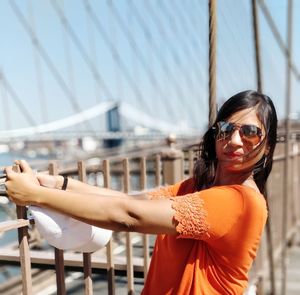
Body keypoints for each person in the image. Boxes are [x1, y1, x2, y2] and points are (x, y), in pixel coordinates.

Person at [5, 90, 277, 294]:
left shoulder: (241, 201)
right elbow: (129, 201)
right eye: (226, 129)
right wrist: (58, 184)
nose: (234, 140)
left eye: (251, 132)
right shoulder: (196, 188)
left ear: (267, 146)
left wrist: (34, 196)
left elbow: (130, 217)